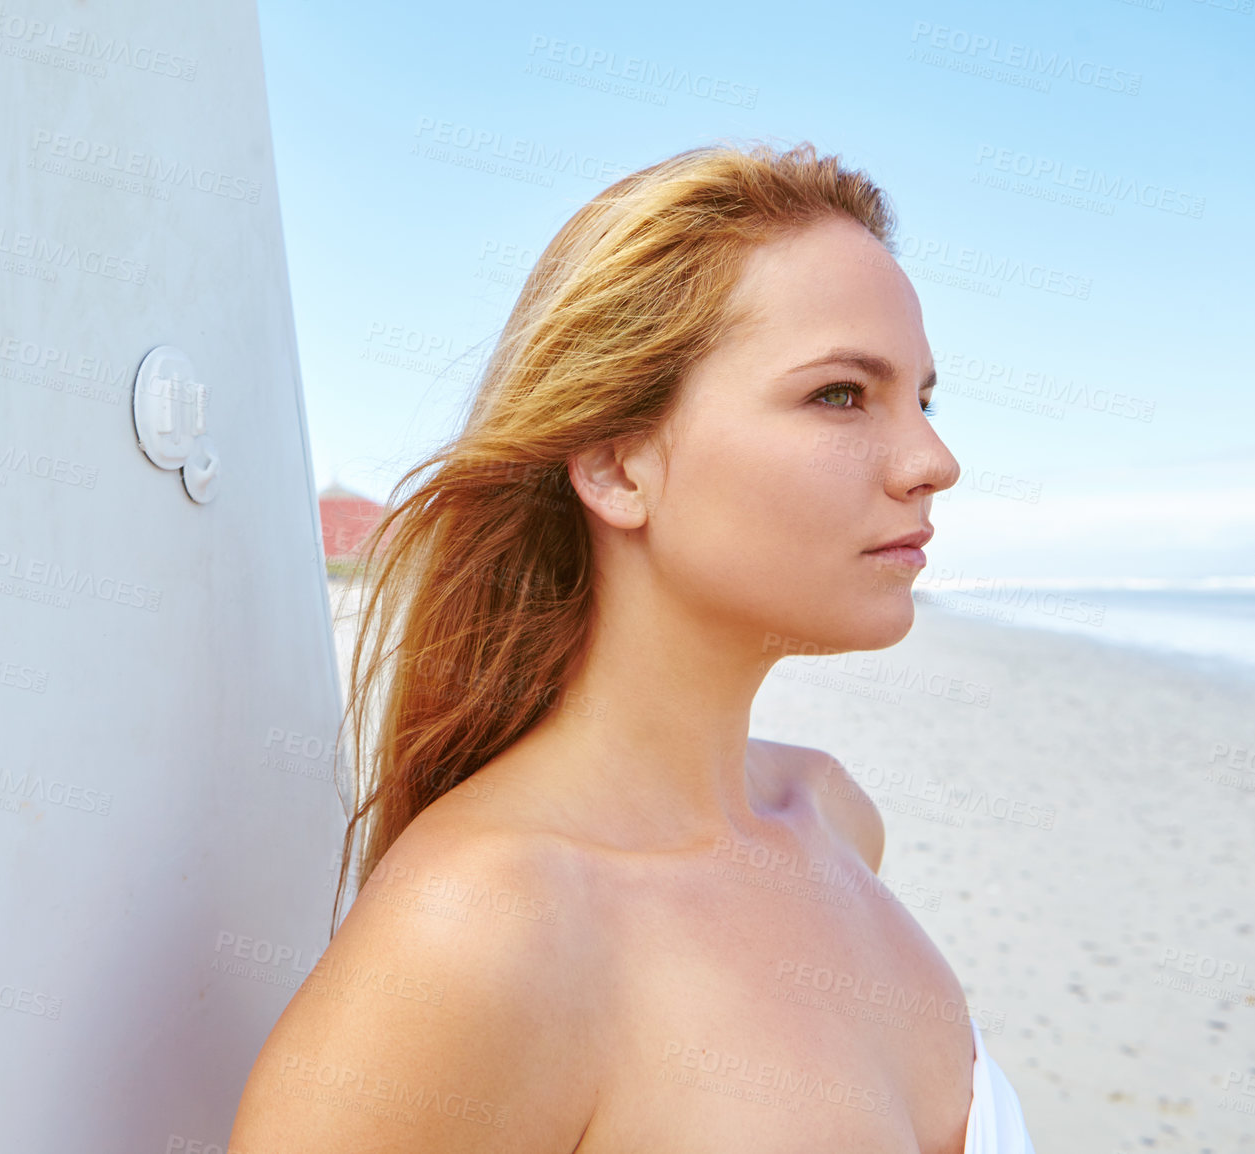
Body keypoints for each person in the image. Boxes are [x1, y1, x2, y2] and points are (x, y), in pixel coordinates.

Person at [230, 141, 1036, 1152]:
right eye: (839, 394)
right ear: (616, 466)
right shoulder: (483, 929)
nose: (934, 459)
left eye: (922, 397)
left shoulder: (831, 814)